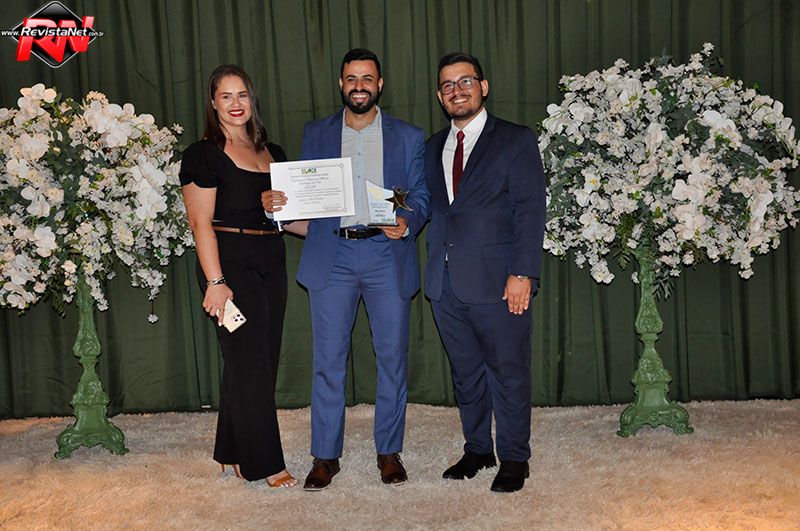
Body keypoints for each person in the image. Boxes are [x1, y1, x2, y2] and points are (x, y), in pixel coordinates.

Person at [264, 48, 429, 491]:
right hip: (332, 255)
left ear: (380, 84)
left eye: (367, 78)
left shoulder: (408, 136)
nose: (360, 86)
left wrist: (407, 220)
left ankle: (389, 452)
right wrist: (279, 205)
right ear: (341, 84)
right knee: (328, 361)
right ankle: (325, 456)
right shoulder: (315, 133)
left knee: (392, 359)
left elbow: (420, 194)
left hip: (385, 255)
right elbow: (305, 195)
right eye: (352, 78)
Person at [424, 52, 546, 493]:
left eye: (465, 81)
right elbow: (434, 208)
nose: (457, 91)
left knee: (508, 372)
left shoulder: (515, 139)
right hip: (444, 283)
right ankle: (478, 449)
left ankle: (514, 458)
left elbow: (531, 209)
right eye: (448, 85)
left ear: (483, 87)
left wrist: (523, 273)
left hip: (500, 282)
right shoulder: (432, 146)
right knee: (466, 374)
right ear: (440, 96)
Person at [179, 64, 298, 488]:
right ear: (213, 103)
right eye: (226, 96)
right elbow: (199, 223)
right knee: (251, 365)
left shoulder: (274, 153)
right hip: (228, 265)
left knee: (254, 360)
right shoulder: (203, 154)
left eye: (242, 95)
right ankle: (264, 463)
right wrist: (215, 282)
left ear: (252, 100)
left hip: (271, 260)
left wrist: (337, 216)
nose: (235, 103)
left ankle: (230, 451)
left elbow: (294, 220)